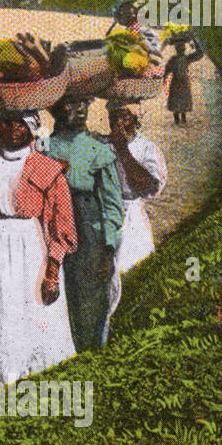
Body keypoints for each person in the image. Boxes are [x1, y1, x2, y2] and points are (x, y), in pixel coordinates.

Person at [0, 110, 77, 395]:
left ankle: (35, 385)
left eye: (19, 123)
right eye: (4, 122)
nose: (10, 129)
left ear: (32, 128)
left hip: (31, 249)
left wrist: (53, 272)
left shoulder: (48, 169)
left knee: (30, 311)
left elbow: (61, 225)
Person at [44, 96, 125, 351]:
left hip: (86, 222)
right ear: (57, 109)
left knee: (89, 291)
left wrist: (108, 248)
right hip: (52, 221)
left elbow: (112, 203)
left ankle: (91, 350)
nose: (80, 111)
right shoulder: (47, 147)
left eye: (84, 105)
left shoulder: (98, 149)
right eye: (71, 104)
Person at [102, 100, 168, 319]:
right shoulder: (101, 144)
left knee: (131, 269)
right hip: (104, 213)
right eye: (114, 118)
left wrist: (123, 150)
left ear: (135, 121)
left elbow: (149, 185)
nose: (118, 124)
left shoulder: (147, 148)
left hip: (131, 219)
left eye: (125, 118)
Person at [163, 38, 205, 125]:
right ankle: (177, 118)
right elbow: (167, 70)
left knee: (182, 99)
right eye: (180, 48)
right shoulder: (175, 59)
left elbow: (200, 54)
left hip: (182, 81)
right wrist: (164, 78)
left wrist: (195, 41)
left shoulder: (185, 58)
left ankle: (182, 117)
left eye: (182, 47)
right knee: (177, 99)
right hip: (177, 81)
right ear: (177, 49)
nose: (182, 49)